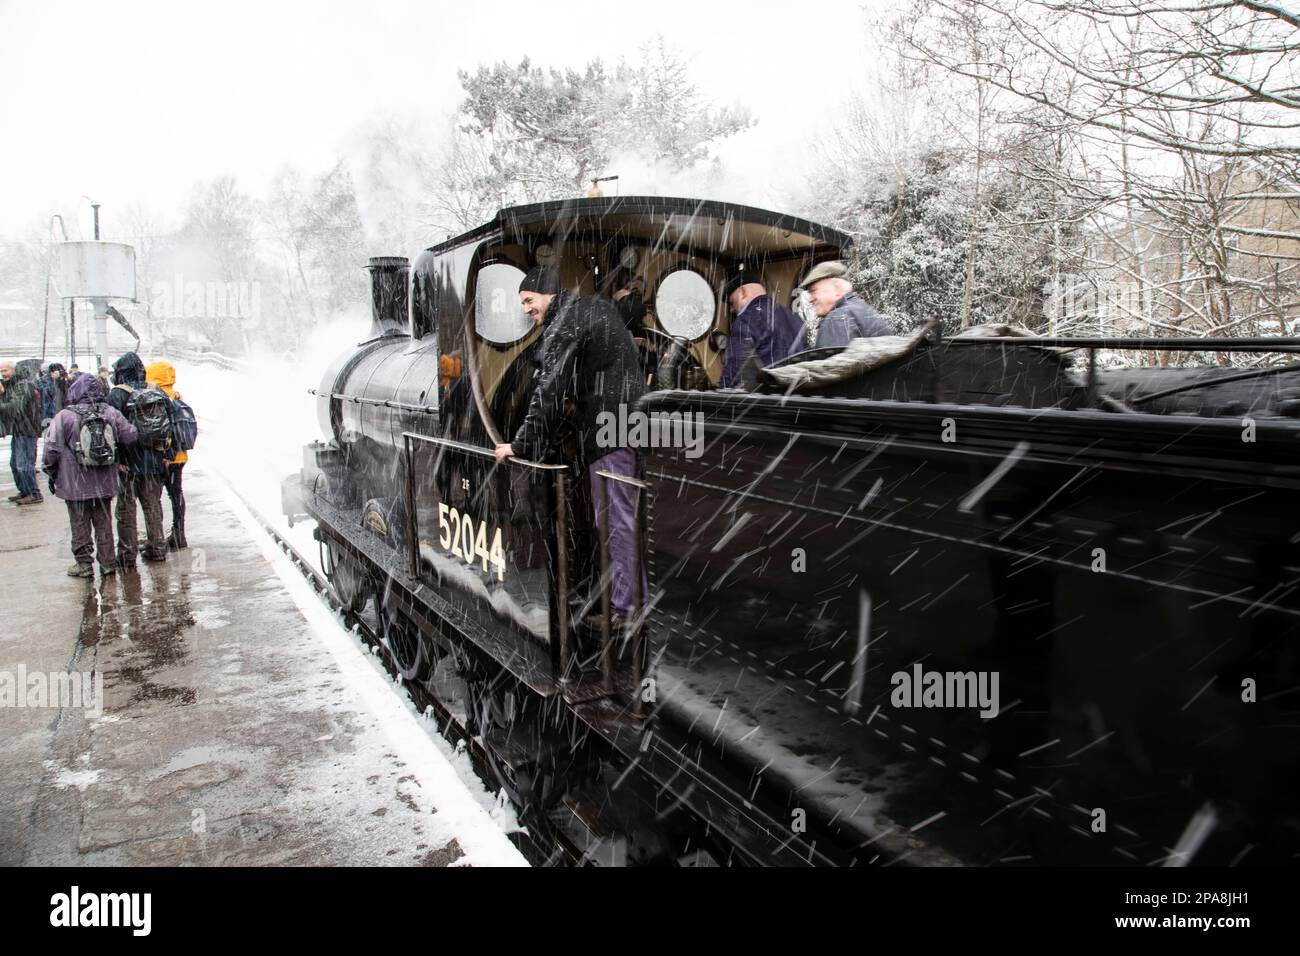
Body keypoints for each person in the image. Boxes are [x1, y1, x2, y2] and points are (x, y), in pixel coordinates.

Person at [494, 266, 647, 626]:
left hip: (609, 431)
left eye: (529, 301)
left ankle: (627, 609)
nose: (527, 309)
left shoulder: (564, 322)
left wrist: (520, 444)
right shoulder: (595, 308)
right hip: (631, 423)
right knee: (627, 517)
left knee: (613, 520)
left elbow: (548, 391)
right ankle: (635, 600)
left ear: (547, 293)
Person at [42, 373, 139, 577]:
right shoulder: (110, 412)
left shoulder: (65, 416)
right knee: (103, 522)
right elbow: (130, 435)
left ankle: (84, 564)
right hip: (104, 480)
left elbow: (52, 449)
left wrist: (51, 472)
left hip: (74, 482)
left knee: (79, 523)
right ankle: (107, 563)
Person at [107, 352, 170, 565]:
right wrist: (165, 454)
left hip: (127, 463)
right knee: (152, 505)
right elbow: (170, 423)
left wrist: (118, 460)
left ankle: (127, 555)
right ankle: (157, 547)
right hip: (153, 459)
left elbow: (112, 431)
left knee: (126, 510)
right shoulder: (155, 390)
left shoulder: (117, 394)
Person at [720, 270, 805, 387]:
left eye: (732, 302)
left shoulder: (746, 319)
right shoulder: (795, 318)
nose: (731, 309)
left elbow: (736, 372)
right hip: (794, 398)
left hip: (762, 400)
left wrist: (723, 391)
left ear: (743, 292)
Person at [796, 261, 893, 348]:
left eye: (813, 291)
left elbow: (831, 366)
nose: (810, 299)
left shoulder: (838, 318)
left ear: (837, 289)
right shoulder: (862, 310)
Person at [145, 360, 189, 550]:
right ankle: (179, 533)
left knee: (154, 498)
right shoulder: (177, 397)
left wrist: (165, 452)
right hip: (179, 457)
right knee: (176, 494)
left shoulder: (156, 398)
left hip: (163, 457)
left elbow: (162, 430)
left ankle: (157, 539)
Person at [0, 359, 46, 504]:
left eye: (5, 371)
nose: (3, 374)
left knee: (24, 465)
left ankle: (34, 493)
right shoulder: (15, 385)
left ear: (13, 370)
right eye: (1, 371)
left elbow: (14, 407)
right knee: (15, 464)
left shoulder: (24, 385)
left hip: (27, 430)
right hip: (19, 430)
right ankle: (25, 491)